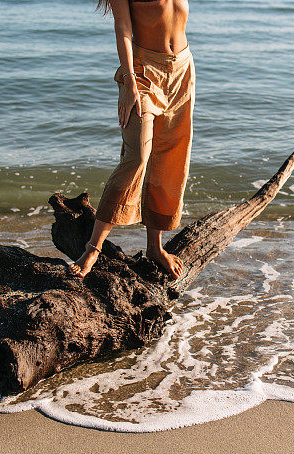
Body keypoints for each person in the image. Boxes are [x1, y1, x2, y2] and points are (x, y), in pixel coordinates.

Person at [69, 0, 193, 279]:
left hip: (182, 69)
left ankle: (154, 247)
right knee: (136, 157)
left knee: (170, 158)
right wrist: (129, 83)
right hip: (143, 71)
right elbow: (123, 27)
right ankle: (93, 248)